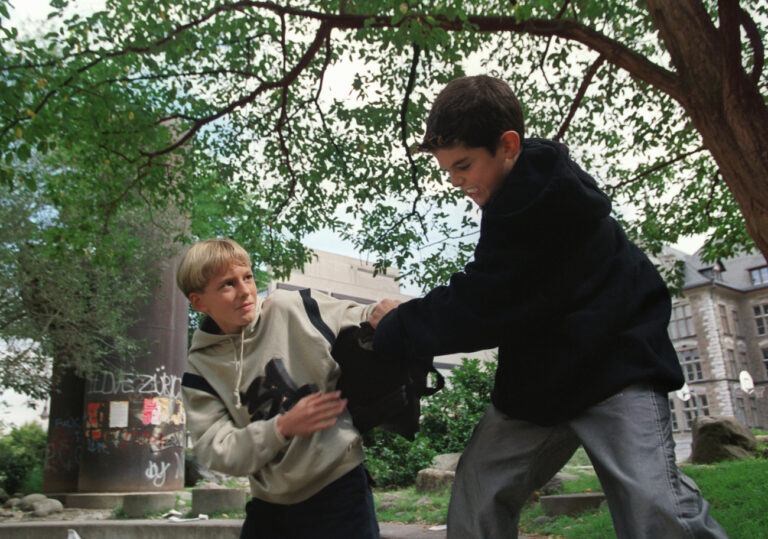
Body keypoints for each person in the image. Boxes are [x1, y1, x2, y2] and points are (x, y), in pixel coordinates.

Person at [369, 75, 728, 538]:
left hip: (615, 372)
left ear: (508, 145)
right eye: (448, 171)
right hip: (540, 385)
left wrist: (398, 324)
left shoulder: (549, 205)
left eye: (464, 165)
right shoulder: (511, 205)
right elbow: (501, 298)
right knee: (479, 494)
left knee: (655, 507)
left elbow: (483, 302)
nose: (457, 182)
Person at [177, 238, 380, 539]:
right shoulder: (200, 370)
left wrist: (382, 312)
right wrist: (282, 427)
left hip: (339, 486)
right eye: (227, 284)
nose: (245, 290)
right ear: (199, 302)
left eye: (247, 276)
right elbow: (215, 450)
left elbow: (362, 317)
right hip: (271, 503)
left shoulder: (295, 308)